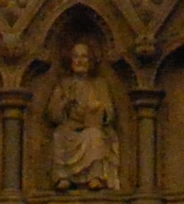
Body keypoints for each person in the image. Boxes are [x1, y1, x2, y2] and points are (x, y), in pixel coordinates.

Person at [42, 38, 123, 194]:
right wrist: (64, 103)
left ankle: (95, 176)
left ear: (90, 60)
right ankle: (63, 176)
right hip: (70, 128)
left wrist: (98, 107)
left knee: (94, 136)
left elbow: (109, 113)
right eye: (76, 57)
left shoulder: (99, 84)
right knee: (60, 135)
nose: (80, 61)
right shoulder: (64, 84)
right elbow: (52, 113)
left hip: (90, 126)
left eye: (84, 57)